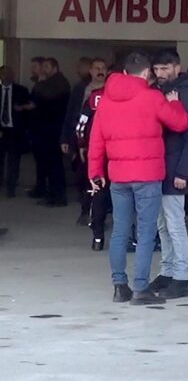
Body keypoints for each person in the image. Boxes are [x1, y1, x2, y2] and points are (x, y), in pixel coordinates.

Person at [88, 51, 188, 305]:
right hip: (148, 176)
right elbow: (180, 123)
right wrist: (175, 103)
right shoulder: (152, 97)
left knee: (120, 231)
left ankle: (119, 287)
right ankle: (140, 289)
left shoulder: (106, 100)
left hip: (118, 177)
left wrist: (95, 173)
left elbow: (96, 140)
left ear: (124, 72)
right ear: (146, 73)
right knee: (145, 233)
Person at [148, 50, 188, 300]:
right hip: (160, 167)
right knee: (162, 223)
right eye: (156, 69)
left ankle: (181, 277)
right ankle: (167, 271)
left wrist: (183, 171)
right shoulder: (160, 90)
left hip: (175, 168)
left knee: (175, 224)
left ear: (176, 67)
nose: (160, 73)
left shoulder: (186, 92)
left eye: (165, 68)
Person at [62, 59, 108, 224]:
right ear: (90, 70)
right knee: (83, 177)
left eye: (103, 68)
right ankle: (85, 209)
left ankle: (100, 214)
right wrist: (66, 138)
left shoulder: (111, 90)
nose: (100, 71)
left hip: (107, 142)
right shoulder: (80, 89)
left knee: (104, 180)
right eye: (97, 68)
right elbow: (70, 114)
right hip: (83, 140)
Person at [75, 72, 111, 251]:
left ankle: (98, 237)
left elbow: (81, 125)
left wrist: (82, 145)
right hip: (121, 154)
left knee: (98, 192)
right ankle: (130, 236)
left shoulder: (95, 97)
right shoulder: (134, 97)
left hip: (97, 151)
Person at [30, 58, 71, 206]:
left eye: (46, 66)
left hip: (55, 129)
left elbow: (47, 97)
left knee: (55, 164)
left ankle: (58, 196)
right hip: (47, 129)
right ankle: (52, 194)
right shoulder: (51, 83)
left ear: (55, 68)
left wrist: (40, 82)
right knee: (49, 163)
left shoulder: (60, 83)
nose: (43, 70)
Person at [0, 66, 31, 198]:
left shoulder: (21, 91)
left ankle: (11, 187)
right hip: (1, 130)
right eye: (3, 73)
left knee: (13, 160)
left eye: (8, 73)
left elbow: (28, 111)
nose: (6, 76)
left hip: (15, 130)